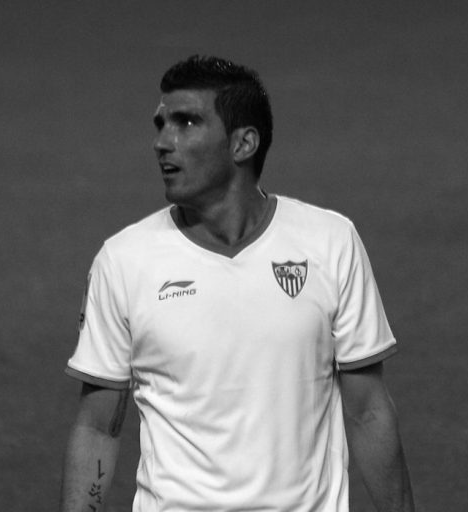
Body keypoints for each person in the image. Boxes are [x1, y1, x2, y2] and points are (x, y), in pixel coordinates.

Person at [60, 55, 415, 512]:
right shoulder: (124, 261)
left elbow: (368, 411)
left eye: (187, 122)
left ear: (243, 143)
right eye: (161, 124)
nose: (162, 142)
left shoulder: (330, 242)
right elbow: (97, 427)